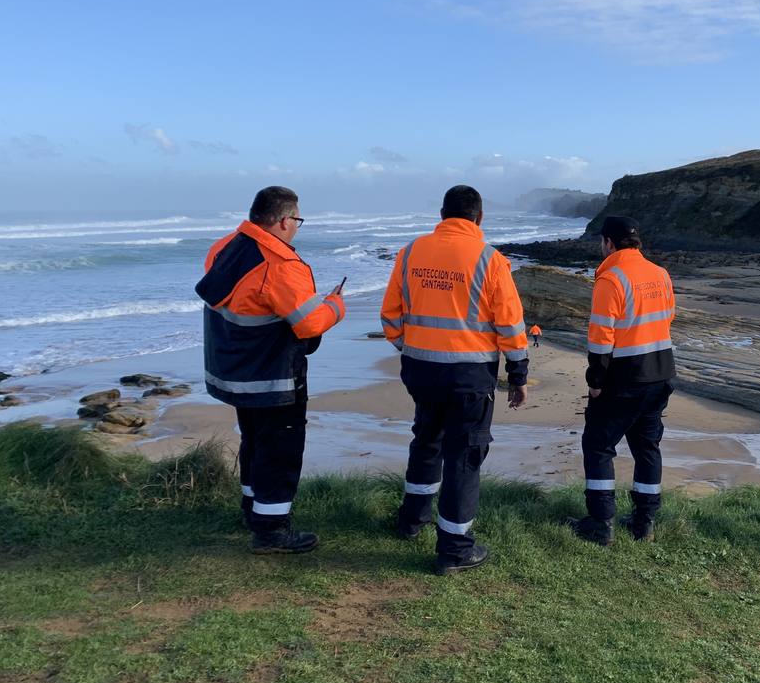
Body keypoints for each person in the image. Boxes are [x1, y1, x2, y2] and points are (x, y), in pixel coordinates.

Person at [380, 185, 529, 575]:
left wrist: (408, 348)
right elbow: (511, 324)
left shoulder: (411, 252)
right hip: (469, 377)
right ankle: (455, 548)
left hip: (420, 371)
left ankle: (412, 520)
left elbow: (390, 315)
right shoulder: (491, 261)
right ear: (479, 218)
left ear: (442, 213)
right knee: (464, 455)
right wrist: (518, 374)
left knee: (427, 439)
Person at [195, 186, 346, 554]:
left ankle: (252, 509)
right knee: (280, 450)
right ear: (283, 220)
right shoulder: (280, 266)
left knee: (254, 440)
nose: (297, 227)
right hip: (273, 376)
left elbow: (247, 305)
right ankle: (272, 530)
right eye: (297, 220)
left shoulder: (224, 248)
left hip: (232, 370)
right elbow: (309, 324)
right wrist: (336, 305)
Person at [569, 215, 676, 545]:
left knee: (599, 445)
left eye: (602, 243)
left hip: (624, 377)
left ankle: (601, 523)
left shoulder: (611, 279)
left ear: (608, 243)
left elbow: (601, 337)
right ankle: (644, 521)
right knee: (647, 447)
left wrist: (595, 379)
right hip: (661, 372)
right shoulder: (660, 274)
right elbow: (667, 317)